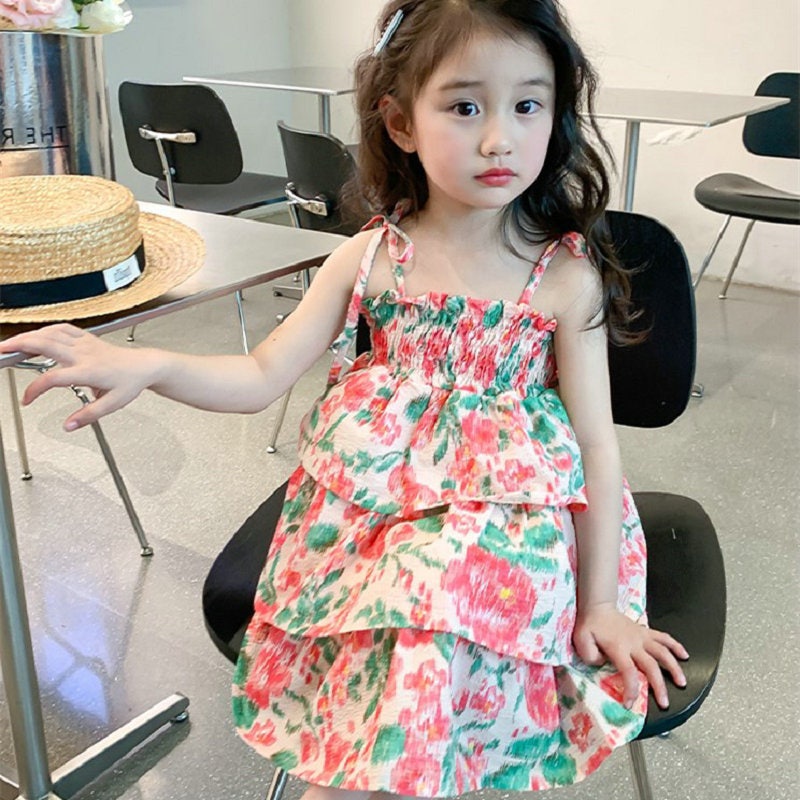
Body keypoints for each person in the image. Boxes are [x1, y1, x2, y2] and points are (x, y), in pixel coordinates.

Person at [0, 0, 689, 795]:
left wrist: (601, 603)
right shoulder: (370, 259)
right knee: (394, 618)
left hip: (513, 523)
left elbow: (596, 444)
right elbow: (261, 375)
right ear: (400, 123)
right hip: (372, 520)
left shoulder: (564, 277)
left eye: (528, 105)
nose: (501, 138)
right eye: (466, 107)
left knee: (438, 598)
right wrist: (150, 363)